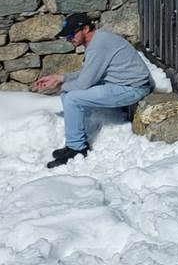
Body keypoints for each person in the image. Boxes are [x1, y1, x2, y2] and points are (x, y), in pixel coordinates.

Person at [31, 13, 152, 168]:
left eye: (71, 35)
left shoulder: (99, 45)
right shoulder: (98, 41)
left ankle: (77, 149)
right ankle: (75, 143)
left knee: (72, 98)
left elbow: (83, 84)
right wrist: (60, 78)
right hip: (120, 84)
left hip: (132, 88)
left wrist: (58, 87)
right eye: (66, 37)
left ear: (86, 29)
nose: (69, 39)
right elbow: (88, 73)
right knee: (69, 95)